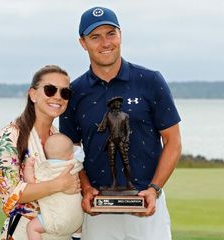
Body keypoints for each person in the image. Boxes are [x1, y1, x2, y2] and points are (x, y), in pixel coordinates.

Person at [60, 6, 182, 240]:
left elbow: (173, 142)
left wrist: (154, 189)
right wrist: (85, 188)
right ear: (83, 43)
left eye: (111, 33)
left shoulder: (150, 81)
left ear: (120, 35)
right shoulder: (74, 92)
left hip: (147, 204)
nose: (105, 42)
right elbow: (70, 154)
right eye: (95, 36)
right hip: (97, 211)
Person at [0, 65, 82, 240]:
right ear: (33, 94)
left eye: (65, 93)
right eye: (50, 90)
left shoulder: (59, 138)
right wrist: (59, 184)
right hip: (23, 233)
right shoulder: (9, 138)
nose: (57, 97)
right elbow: (9, 197)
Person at [24, 133, 84, 240]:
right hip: (77, 220)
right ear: (71, 156)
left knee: (31, 227)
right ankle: (77, 236)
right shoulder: (75, 165)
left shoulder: (47, 170)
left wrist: (28, 166)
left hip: (57, 220)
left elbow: (31, 183)